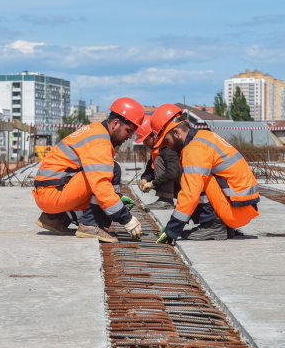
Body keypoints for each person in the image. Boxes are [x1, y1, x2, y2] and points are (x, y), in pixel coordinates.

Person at [33, 97, 144, 243]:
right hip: (53, 194)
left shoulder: (96, 130)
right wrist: (126, 218)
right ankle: (90, 225)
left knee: (102, 177)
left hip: (49, 192)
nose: (130, 136)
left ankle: (55, 218)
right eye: (128, 131)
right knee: (110, 172)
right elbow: (101, 186)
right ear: (116, 124)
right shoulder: (99, 141)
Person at [149, 103, 259, 244]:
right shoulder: (204, 136)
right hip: (242, 209)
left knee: (195, 180)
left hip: (235, 212)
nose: (168, 147)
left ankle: (213, 224)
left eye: (167, 141)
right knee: (195, 177)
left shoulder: (194, 149)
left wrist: (173, 229)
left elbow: (190, 195)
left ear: (176, 133)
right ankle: (221, 225)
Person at [136, 115, 182, 210]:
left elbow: (172, 173)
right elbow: (150, 169)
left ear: (155, 135)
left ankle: (166, 200)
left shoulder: (168, 149)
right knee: (157, 160)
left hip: (185, 186)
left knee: (159, 160)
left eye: (146, 140)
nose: (144, 144)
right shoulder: (157, 150)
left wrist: (153, 183)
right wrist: (144, 179)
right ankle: (164, 198)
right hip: (179, 186)